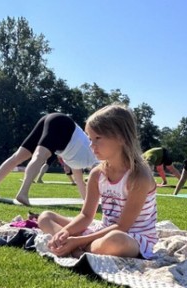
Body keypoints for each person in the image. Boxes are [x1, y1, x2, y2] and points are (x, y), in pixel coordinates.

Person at [38, 104, 157, 259]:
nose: (91, 145)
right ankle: (76, 247)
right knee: (45, 217)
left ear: (120, 137)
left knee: (116, 240)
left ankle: (79, 248)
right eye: (89, 139)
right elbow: (86, 215)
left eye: (97, 138)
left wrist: (77, 240)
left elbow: (122, 227)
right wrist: (64, 233)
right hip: (101, 230)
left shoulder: (139, 177)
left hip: (132, 238)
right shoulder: (97, 174)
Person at [0, 113, 97, 205]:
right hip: (64, 126)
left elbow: (79, 181)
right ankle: (22, 193)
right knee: (39, 156)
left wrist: (87, 200)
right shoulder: (96, 159)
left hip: (56, 120)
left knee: (18, 157)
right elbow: (94, 177)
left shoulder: (78, 162)